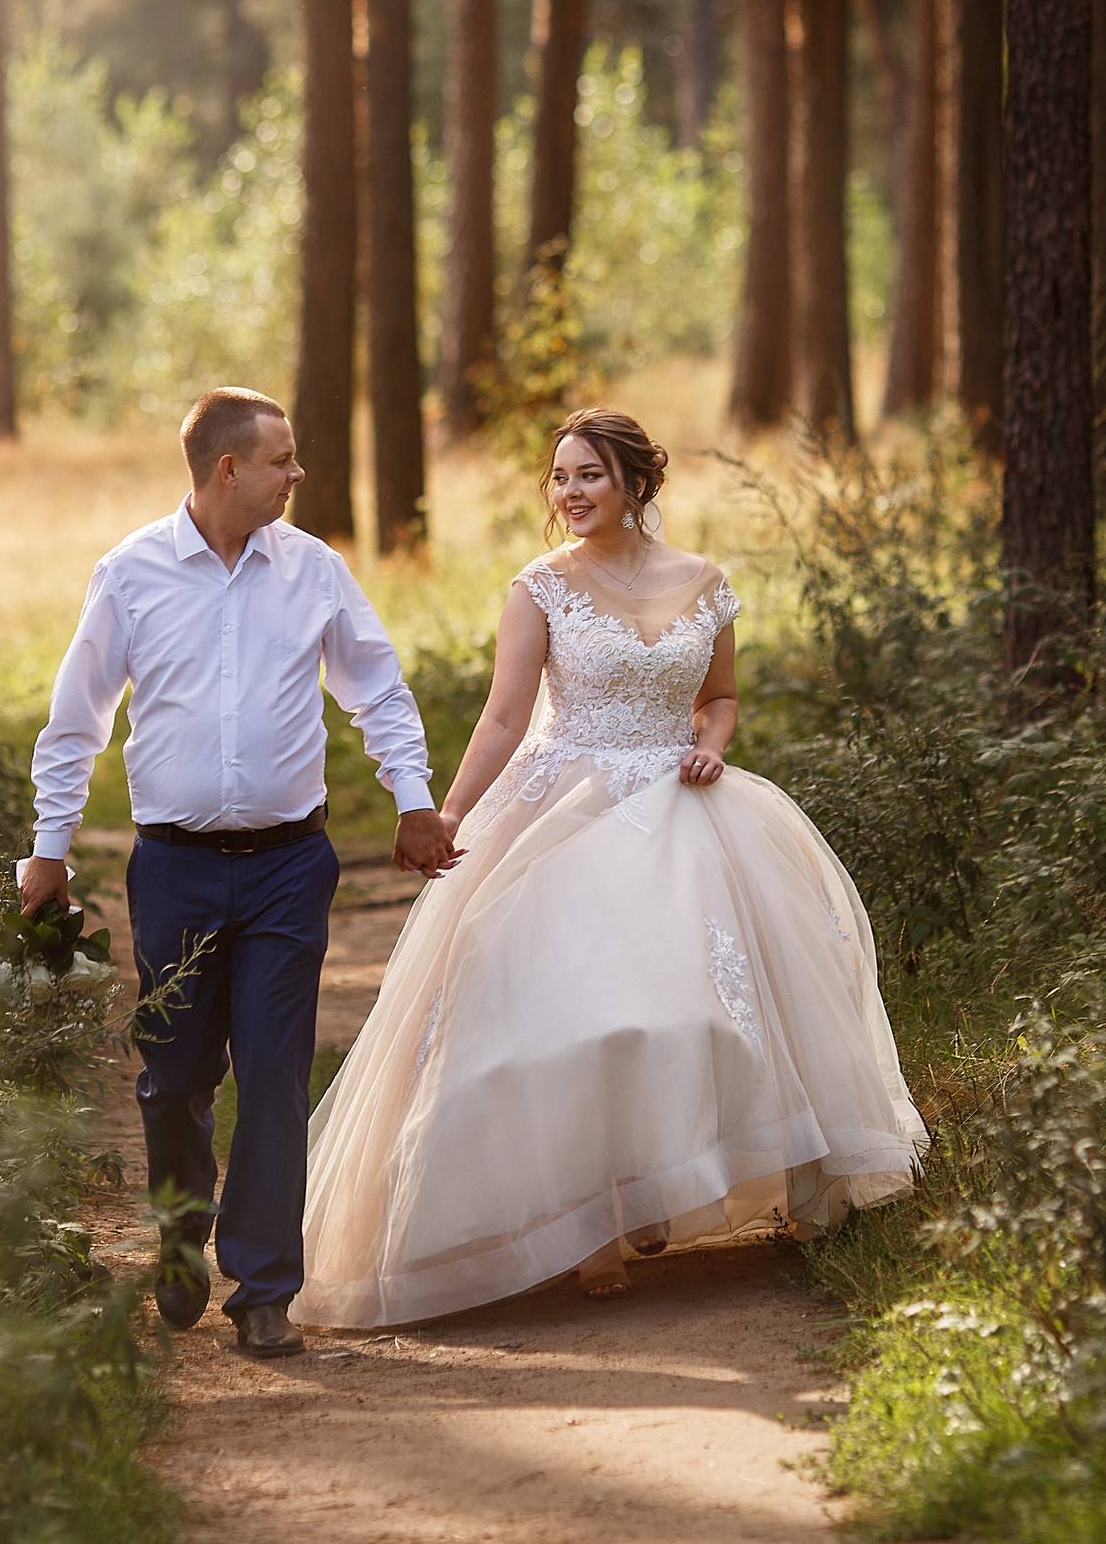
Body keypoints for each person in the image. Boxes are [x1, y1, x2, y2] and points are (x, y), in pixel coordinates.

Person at [296, 408, 926, 1328]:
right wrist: (452, 812)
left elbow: (720, 696)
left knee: (686, 1012)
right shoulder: (539, 589)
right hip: (565, 807)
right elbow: (505, 718)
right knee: (579, 1015)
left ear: (636, 483)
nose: (570, 493)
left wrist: (711, 745)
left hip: (682, 807)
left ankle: (658, 1187)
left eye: (588, 474)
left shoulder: (705, 584)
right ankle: (588, 1227)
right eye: (559, 478)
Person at [20, 386, 457, 1358]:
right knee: (173, 1077)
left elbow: (377, 690)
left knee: (270, 1072)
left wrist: (414, 798)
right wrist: (47, 852)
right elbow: (76, 721)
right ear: (229, 469)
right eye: (282, 460)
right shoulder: (130, 575)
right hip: (172, 870)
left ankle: (263, 1284)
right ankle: (180, 1229)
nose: (298, 475)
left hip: (285, 869)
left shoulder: (314, 572)